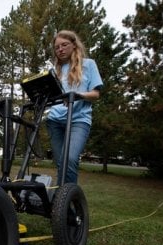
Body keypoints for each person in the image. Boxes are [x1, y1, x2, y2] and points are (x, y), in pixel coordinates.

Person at [46, 30, 103, 185]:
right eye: (57, 47)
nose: (60, 50)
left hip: (79, 119)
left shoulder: (89, 64)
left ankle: (69, 202)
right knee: (60, 163)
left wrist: (78, 95)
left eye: (64, 45)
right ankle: (62, 200)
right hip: (55, 121)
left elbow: (96, 94)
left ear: (74, 45)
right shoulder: (54, 71)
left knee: (69, 159)